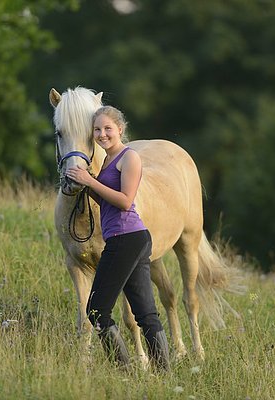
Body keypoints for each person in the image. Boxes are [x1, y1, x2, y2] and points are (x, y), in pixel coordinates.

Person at [65, 105, 170, 371]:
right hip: (128, 238)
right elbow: (105, 199)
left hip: (127, 238)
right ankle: (164, 372)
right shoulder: (109, 161)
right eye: (97, 130)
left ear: (120, 130)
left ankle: (121, 369)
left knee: (97, 310)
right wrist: (81, 186)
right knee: (145, 312)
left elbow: (124, 202)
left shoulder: (129, 157)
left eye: (108, 129)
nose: (102, 134)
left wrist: (91, 182)